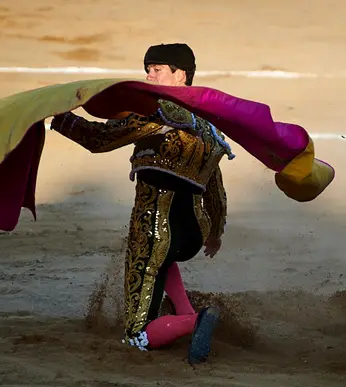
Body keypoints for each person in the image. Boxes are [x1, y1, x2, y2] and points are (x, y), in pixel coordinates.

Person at [49, 43, 234, 364]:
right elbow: (215, 188)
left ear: (181, 75)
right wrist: (215, 231)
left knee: (137, 334)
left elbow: (99, 138)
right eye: (147, 69)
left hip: (153, 232)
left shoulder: (157, 113)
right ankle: (186, 311)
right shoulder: (209, 128)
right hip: (192, 235)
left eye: (157, 70)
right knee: (166, 257)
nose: (149, 76)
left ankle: (195, 320)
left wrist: (60, 118)